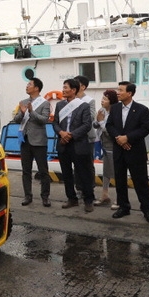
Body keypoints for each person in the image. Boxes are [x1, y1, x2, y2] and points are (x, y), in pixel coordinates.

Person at [107, 81, 149, 222]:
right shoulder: (114, 108)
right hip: (119, 150)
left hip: (135, 151)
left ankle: (147, 210)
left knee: (140, 182)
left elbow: (144, 129)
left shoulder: (142, 110)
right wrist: (119, 138)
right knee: (120, 180)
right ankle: (123, 207)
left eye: (121, 90)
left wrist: (127, 138)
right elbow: (109, 125)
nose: (118, 92)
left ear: (129, 93)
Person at [10, 78, 52, 207]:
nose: (27, 86)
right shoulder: (23, 102)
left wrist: (31, 112)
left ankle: (45, 197)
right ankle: (27, 196)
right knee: (26, 170)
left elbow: (44, 120)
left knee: (43, 171)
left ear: (37, 88)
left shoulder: (44, 103)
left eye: (30, 84)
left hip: (39, 141)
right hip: (25, 140)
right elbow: (16, 120)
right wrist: (22, 113)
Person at [51, 79, 83, 208]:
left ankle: (87, 199)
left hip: (77, 143)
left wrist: (71, 135)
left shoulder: (82, 105)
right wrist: (61, 133)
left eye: (65, 88)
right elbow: (55, 123)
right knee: (66, 173)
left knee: (82, 172)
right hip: (63, 143)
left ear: (73, 90)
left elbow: (86, 125)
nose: (63, 90)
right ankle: (71, 198)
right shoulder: (59, 105)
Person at [69, 75, 98, 212]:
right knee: (76, 166)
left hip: (86, 137)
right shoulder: (70, 100)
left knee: (87, 165)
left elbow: (91, 117)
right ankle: (78, 189)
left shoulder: (89, 101)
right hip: (72, 137)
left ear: (82, 86)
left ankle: (90, 190)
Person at [92, 89, 119, 208]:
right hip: (104, 144)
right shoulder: (102, 110)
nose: (102, 101)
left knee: (116, 172)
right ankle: (104, 195)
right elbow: (95, 124)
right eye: (102, 98)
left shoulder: (115, 113)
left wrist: (101, 122)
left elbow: (111, 132)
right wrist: (98, 121)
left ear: (111, 101)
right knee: (106, 172)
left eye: (105, 99)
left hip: (113, 145)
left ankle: (120, 198)